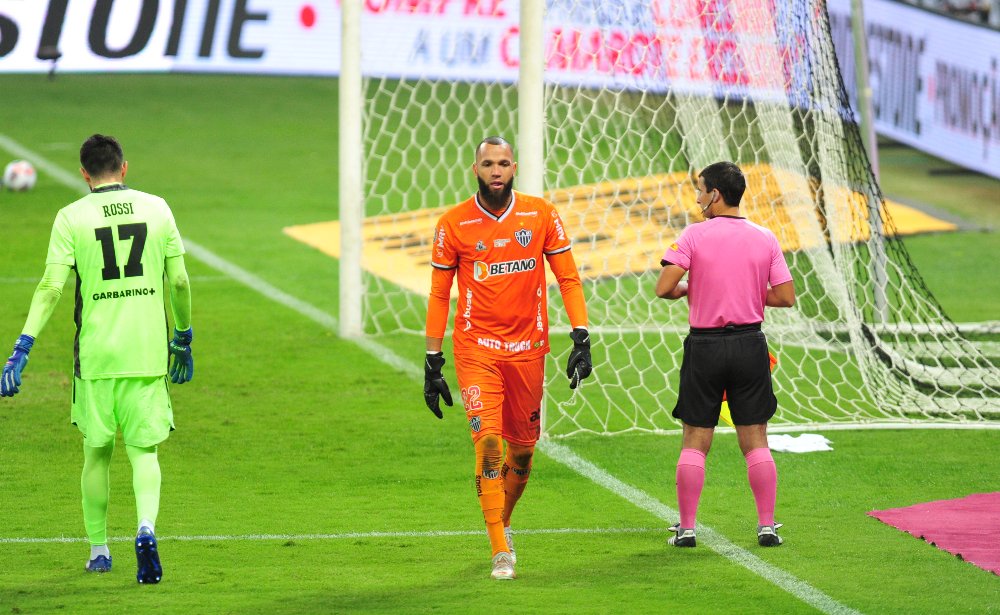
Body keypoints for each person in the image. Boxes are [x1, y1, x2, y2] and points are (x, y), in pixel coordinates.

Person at [0, 134, 193, 584]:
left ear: (84, 174)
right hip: (147, 353)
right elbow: (179, 281)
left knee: (97, 453)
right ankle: (145, 529)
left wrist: (21, 349)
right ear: (124, 168)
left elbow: (50, 289)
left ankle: (100, 551)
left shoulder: (70, 218)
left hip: (96, 357)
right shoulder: (157, 208)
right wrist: (182, 337)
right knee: (145, 454)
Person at [423, 136, 592, 580]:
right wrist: (432, 359)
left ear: (513, 166)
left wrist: (581, 336)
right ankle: (500, 549)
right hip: (476, 349)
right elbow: (441, 294)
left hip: (528, 351)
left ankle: (505, 519)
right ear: (474, 168)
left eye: (502, 163)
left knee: (522, 453)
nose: (495, 170)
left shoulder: (540, 215)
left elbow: (568, 278)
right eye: (487, 164)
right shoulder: (453, 224)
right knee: (490, 443)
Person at [654, 161, 794, 548]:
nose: (698, 198)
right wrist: (748, 292)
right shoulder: (765, 237)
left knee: (695, 439)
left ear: (716, 193)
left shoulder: (694, 235)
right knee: (755, 438)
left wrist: (690, 289)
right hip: (750, 345)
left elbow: (663, 287)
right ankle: (766, 525)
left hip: (705, 347)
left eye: (701, 190)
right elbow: (785, 296)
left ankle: (686, 529)